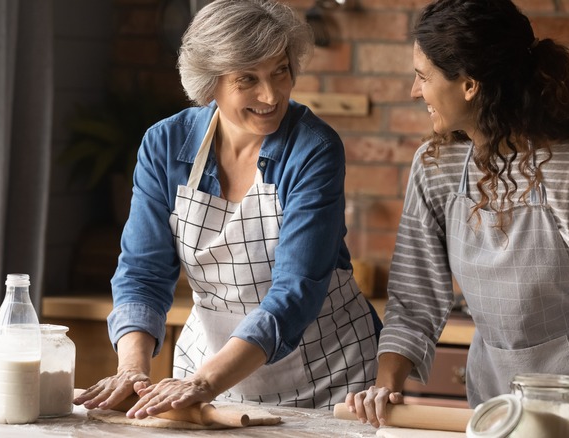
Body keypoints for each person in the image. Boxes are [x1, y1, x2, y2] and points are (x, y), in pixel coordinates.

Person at [345, 0, 569, 435]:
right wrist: (384, 388)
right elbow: (413, 301)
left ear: (469, 85)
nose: (414, 90)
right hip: (492, 404)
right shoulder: (434, 167)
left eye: (423, 76)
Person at [73, 0, 380, 418]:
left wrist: (204, 381)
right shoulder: (165, 146)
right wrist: (132, 367)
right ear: (210, 82)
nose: (270, 95)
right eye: (247, 79)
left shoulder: (313, 150)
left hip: (327, 377)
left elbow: (295, 291)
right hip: (207, 376)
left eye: (280, 72)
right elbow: (143, 272)